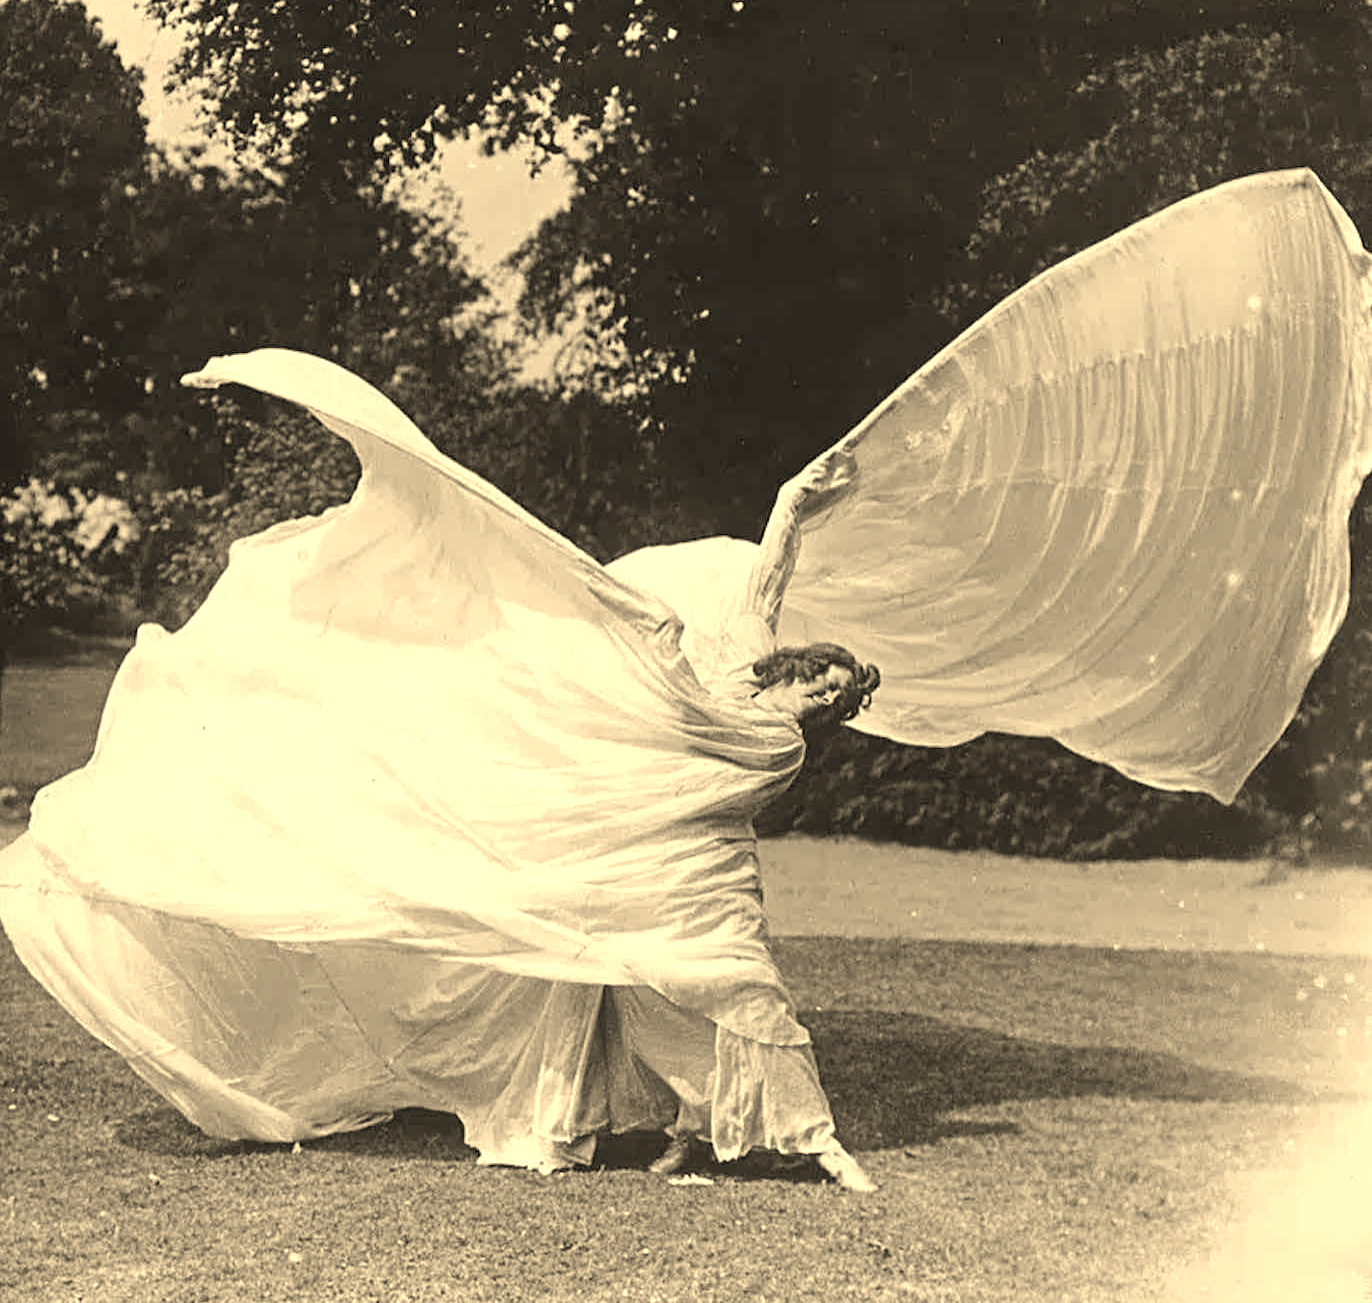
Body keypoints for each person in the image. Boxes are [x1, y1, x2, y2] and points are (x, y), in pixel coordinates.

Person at [0, 350, 882, 1191]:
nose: (828, 697)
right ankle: (674, 1127)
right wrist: (797, 501)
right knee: (615, 980)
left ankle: (793, 1139)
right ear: (798, 667)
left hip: (701, 867)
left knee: (728, 980)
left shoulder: (784, 742)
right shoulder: (736, 672)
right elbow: (768, 573)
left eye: (839, 698)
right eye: (827, 680)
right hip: (639, 847)